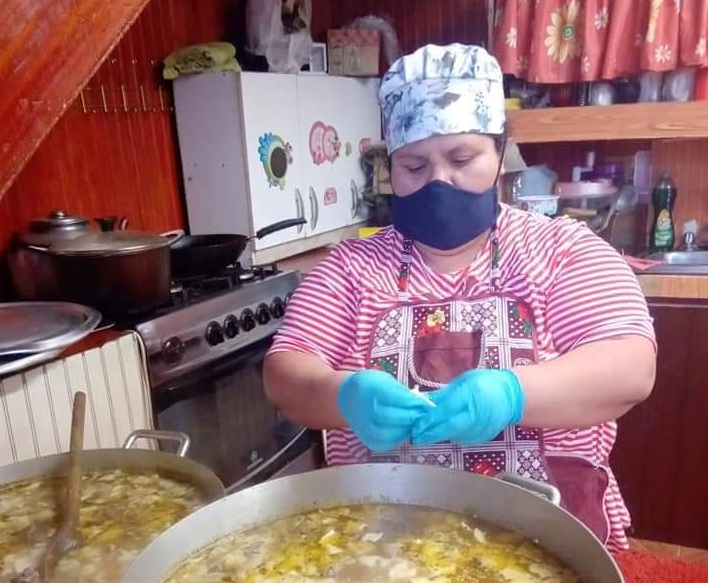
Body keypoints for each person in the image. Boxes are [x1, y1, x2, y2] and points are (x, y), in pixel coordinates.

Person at [264, 43, 656, 551]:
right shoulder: (350, 270)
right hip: (387, 549)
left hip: (553, 545)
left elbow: (631, 367)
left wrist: (513, 395)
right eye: (414, 166)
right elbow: (283, 374)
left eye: (461, 159)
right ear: (390, 168)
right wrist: (342, 395)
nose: (439, 182)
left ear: (501, 153)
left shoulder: (562, 252)